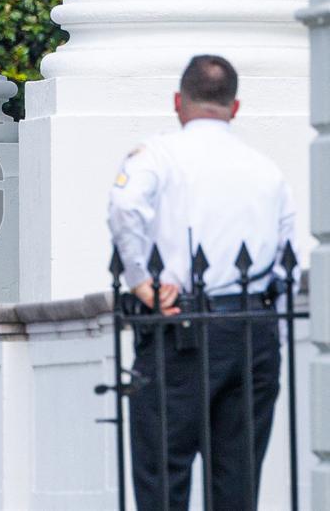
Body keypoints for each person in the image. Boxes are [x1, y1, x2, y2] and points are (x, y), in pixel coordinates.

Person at [108, 55, 295, 510]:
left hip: (181, 327)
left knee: (163, 474)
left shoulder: (159, 155)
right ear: (235, 107)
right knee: (237, 480)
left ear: (178, 101)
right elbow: (286, 261)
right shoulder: (267, 170)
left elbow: (125, 205)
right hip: (253, 329)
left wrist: (139, 281)